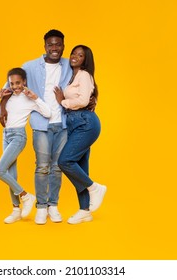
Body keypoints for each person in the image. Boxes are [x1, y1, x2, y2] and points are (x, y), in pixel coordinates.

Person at [0, 29, 73, 225]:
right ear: (45, 46)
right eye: (51, 44)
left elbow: (83, 77)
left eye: (58, 44)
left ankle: (53, 206)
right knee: (42, 167)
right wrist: (2, 108)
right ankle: (41, 206)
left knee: (57, 168)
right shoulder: (30, 67)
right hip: (41, 124)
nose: (54, 48)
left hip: (63, 122)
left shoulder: (68, 64)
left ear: (63, 46)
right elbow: (9, 87)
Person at [0, 67, 52, 224]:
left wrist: (36, 98)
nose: (15, 86)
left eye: (18, 83)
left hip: (18, 136)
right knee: (11, 174)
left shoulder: (28, 98)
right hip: (6, 135)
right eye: (12, 83)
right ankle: (16, 210)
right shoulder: (6, 97)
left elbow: (48, 113)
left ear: (24, 82)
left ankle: (26, 196)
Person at [54, 45, 107, 224]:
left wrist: (63, 101)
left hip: (85, 123)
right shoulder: (73, 76)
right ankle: (85, 210)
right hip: (77, 123)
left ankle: (95, 188)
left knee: (65, 161)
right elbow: (88, 98)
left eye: (80, 55)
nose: (75, 57)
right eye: (74, 53)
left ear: (86, 60)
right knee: (80, 168)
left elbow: (84, 100)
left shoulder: (84, 75)